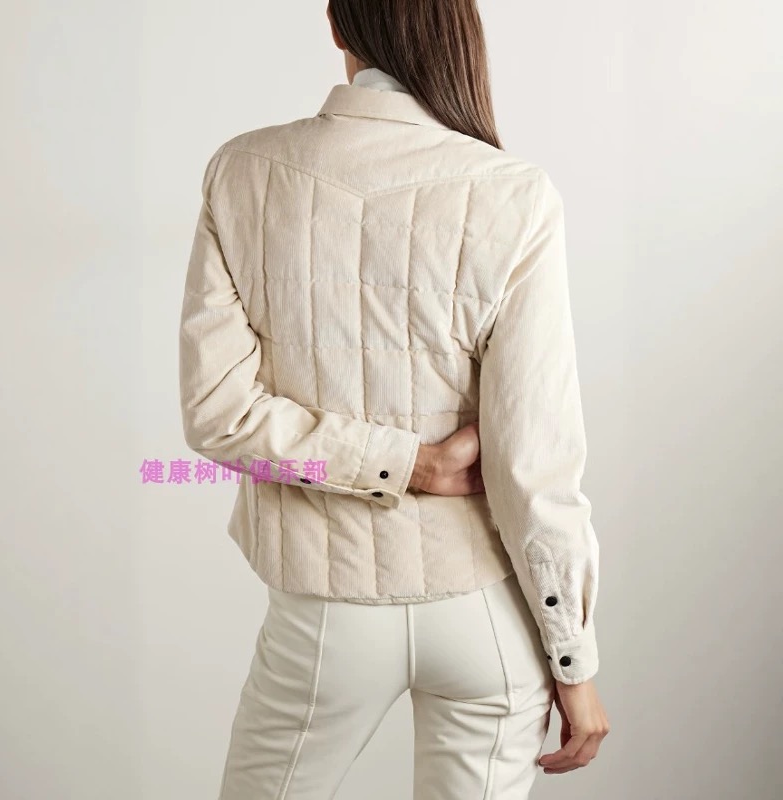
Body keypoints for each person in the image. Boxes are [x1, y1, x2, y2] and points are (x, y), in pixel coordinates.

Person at [178, 1, 610, 796]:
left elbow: (218, 414)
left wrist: (405, 464)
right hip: (486, 614)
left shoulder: (244, 171)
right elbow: (536, 461)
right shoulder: (513, 193)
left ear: (337, 26)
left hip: (323, 616)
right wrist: (572, 657)